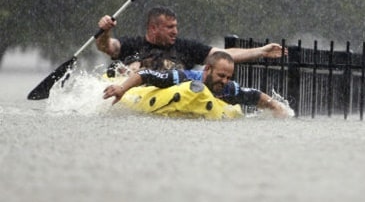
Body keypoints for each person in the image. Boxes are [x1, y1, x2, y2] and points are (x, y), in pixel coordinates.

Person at [103, 50, 291, 118]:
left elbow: (255, 95)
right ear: (207, 69)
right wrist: (122, 89)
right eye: (221, 75)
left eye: (228, 77)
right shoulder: (182, 77)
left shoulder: (228, 88)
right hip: (156, 97)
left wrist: (276, 107)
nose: (224, 81)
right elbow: (146, 75)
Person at [96, 6, 286, 70]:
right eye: (170, 27)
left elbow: (223, 54)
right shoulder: (132, 44)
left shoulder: (185, 47)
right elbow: (107, 47)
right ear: (153, 28)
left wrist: (261, 51)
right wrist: (105, 31)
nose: (175, 32)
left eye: (176, 27)